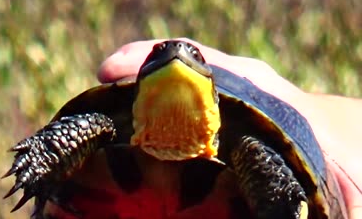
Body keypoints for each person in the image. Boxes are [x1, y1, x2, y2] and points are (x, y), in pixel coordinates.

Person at [97, 38, 362, 218]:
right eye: (160, 53)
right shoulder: (104, 124)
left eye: (194, 56)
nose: (178, 51)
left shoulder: (247, 144)